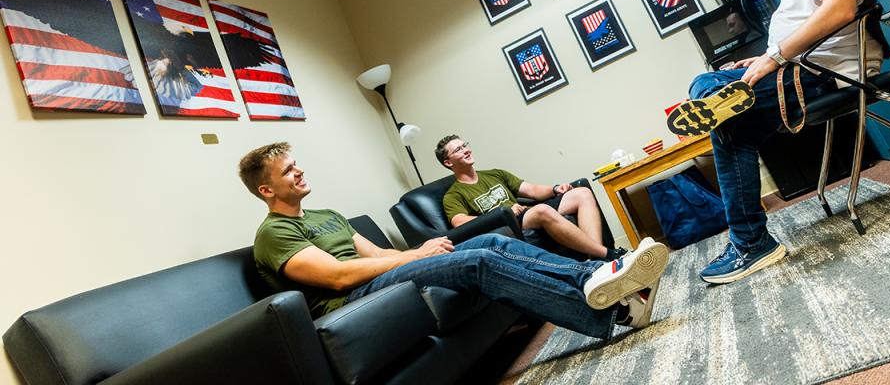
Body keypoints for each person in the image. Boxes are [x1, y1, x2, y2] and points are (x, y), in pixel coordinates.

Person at [666, 0, 882, 285]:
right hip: (800, 67)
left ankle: (750, 242)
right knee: (715, 92)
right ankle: (721, 97)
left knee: (727, 123)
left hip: (826, 73)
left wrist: (771, 60)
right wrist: (761, 58)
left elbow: (839, 10)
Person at [238, 142, 670, 338]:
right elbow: (338, 277)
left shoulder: (326, 215)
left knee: (493, 245)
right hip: (353, 297)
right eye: (288, 171)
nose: (299, 171)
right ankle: (614, 313)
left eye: (297, 164)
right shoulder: (273, 234)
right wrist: (416, 255)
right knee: (476, 262)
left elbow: (380, 253)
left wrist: (416, 253)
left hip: (376, 276)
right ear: (267, 190)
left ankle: (600, 272)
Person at [435, 135, 625, 261]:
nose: (466, 150)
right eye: (458, 150)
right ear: (448, 162)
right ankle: (607, 255)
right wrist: (503, 214)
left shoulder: (495, 174)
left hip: (525, 215)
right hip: (506, 225)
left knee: (581, 192)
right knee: (542, 210)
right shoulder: (453, 194)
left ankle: (599, 258)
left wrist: (555, 188)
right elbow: (460, 222)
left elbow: (532, 190)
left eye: (464, 145)